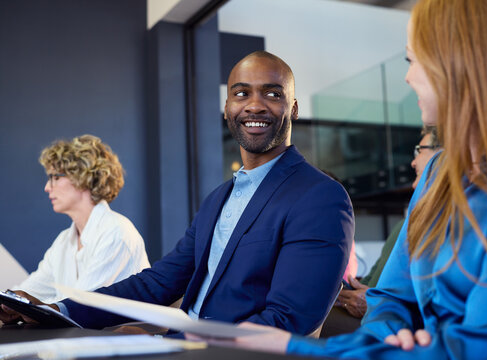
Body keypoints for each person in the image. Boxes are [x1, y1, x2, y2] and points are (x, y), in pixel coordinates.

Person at [199, 0, 487, 358]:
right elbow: (390, 297)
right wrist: (388, 336)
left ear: (458, 61)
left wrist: (291, 345)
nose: (408, 77)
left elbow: (477, 349)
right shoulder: (436, 176)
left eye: (413, 60)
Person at [1, 51, 354, 336]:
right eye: (241, 93)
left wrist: (181, 344)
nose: (255, 105)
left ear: (293, 108)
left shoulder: (320, 197)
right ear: (228, 107)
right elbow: (158, 282)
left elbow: (289, 321)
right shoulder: (219, 199)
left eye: (273, 94)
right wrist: (56, 309)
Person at [8, 135, 150, 304]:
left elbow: (80, 307)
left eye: (55, 177)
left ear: (83, 178)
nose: (47, 187)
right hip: (84, 331)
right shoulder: (64, 241)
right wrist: (9, 303)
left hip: (119, 331)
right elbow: (29, 291)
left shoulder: (116, 232)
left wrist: (32, 304)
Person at [325, 126, 440, 333]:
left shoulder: (442, 223)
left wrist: (376, 303)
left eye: (419, 150)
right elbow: (372, 281)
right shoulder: (406, 224)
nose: (413, 161)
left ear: (442, 154)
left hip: (389, 323)